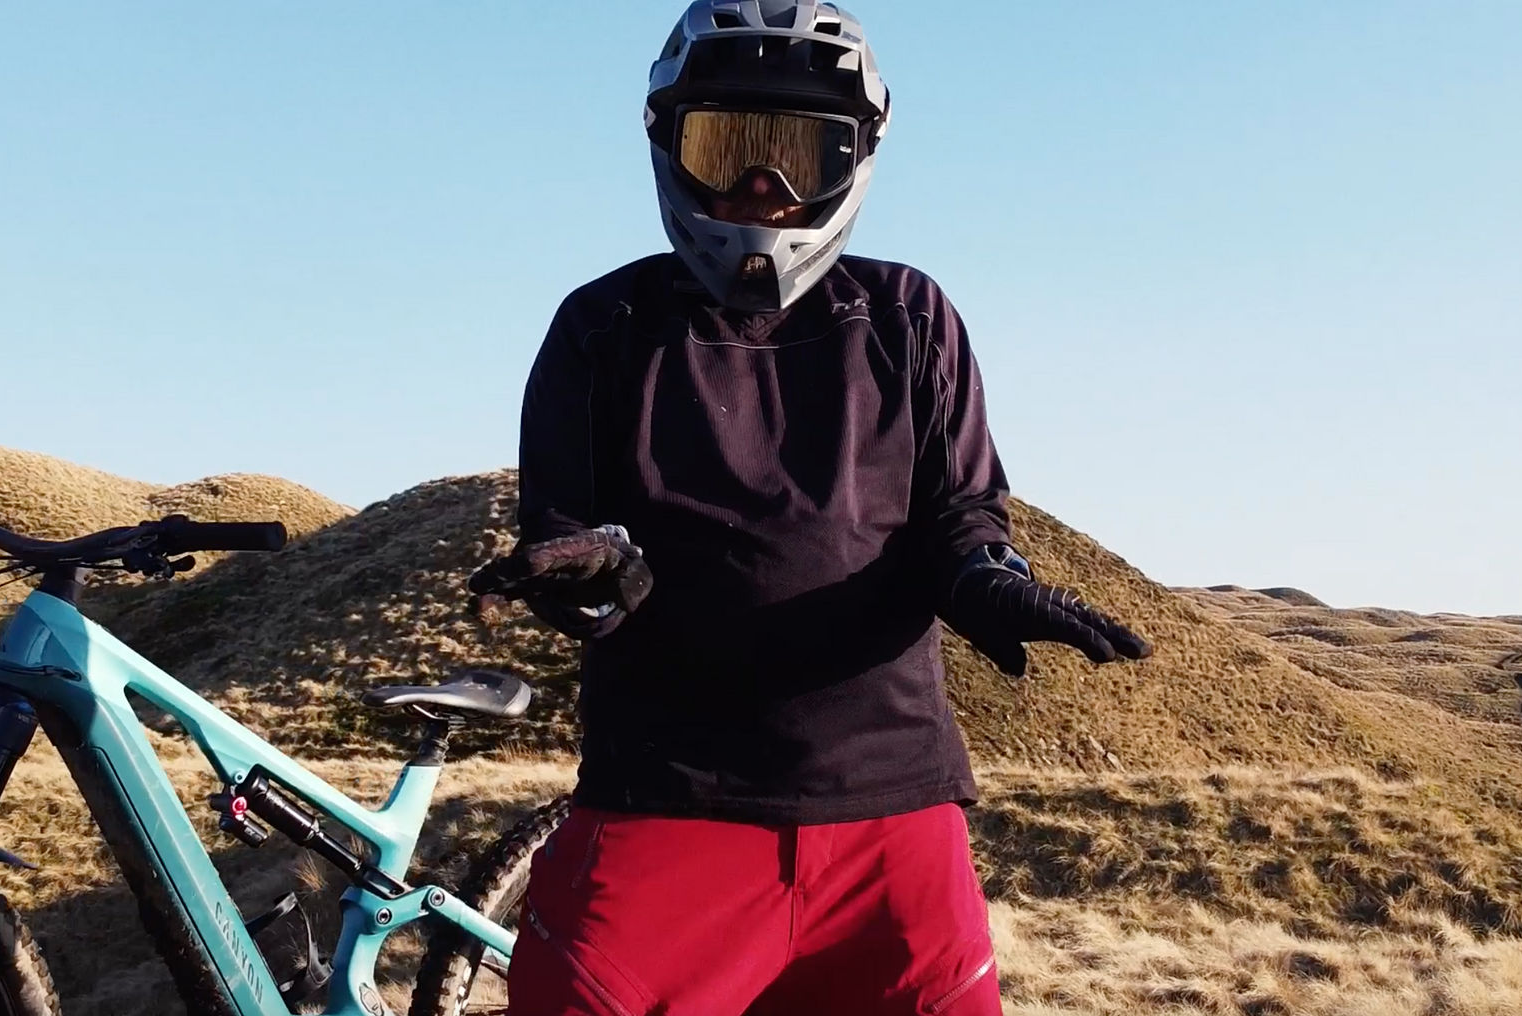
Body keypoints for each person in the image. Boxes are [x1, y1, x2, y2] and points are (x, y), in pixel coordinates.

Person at [469, 3, 1152, 1013]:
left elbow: (961, 511)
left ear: (855, 157)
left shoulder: (910, 316)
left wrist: (986, 579)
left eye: (799, 153)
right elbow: (559, 533)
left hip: (892, 824)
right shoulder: (603, 326)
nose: (763, 186)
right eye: (729, 146)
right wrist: (589, 576)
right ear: (668, 142)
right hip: (668, 803)